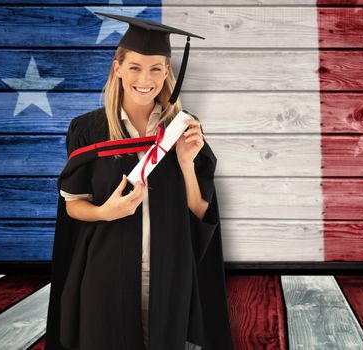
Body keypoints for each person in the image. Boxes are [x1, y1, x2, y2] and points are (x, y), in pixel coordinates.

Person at [45, 13, 234, 350]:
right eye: (134, 67)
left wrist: (187, 165)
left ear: (167, 72)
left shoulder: (184, 128)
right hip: (106, 273)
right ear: (117, 67)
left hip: (170, 274)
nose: (145, 78)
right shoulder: (88, 130)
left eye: (155, 68)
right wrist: (106, 212)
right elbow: (73, 205)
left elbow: (202, 212)